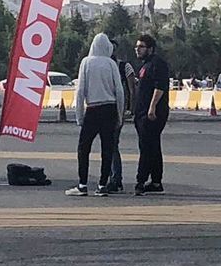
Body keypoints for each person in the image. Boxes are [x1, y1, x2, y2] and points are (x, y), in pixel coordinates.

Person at [66, 33, 125, 197]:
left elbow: (80, 91)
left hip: (93, 109)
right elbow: (119, 91)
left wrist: (79, 115)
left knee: (83, 148)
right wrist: (120, 115)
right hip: (110, 109)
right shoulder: (112, 64)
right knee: (107, 148)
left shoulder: (86, 62)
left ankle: (82, 184)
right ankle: (102, 185)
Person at [133, 33, 171, 195]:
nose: (137, 49)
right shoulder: (145, 65)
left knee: (147, 147)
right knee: (153, 146)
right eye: (137, 46)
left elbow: (160, 86)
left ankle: (140, 181)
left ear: (150, 49)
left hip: (152, 113)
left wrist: (152, 107)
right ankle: (156, 181)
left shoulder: (157, 64)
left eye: (141, 47)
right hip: (142, 112)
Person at [102, 42, 137, 194]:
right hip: (105, 108)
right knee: (109, 143)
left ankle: (116, 178)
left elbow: (131, 89)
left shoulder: (124, 67)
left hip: (118, 110)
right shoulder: (102, 66)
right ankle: (112, 177)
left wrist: (130, 109)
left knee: (112, 143)